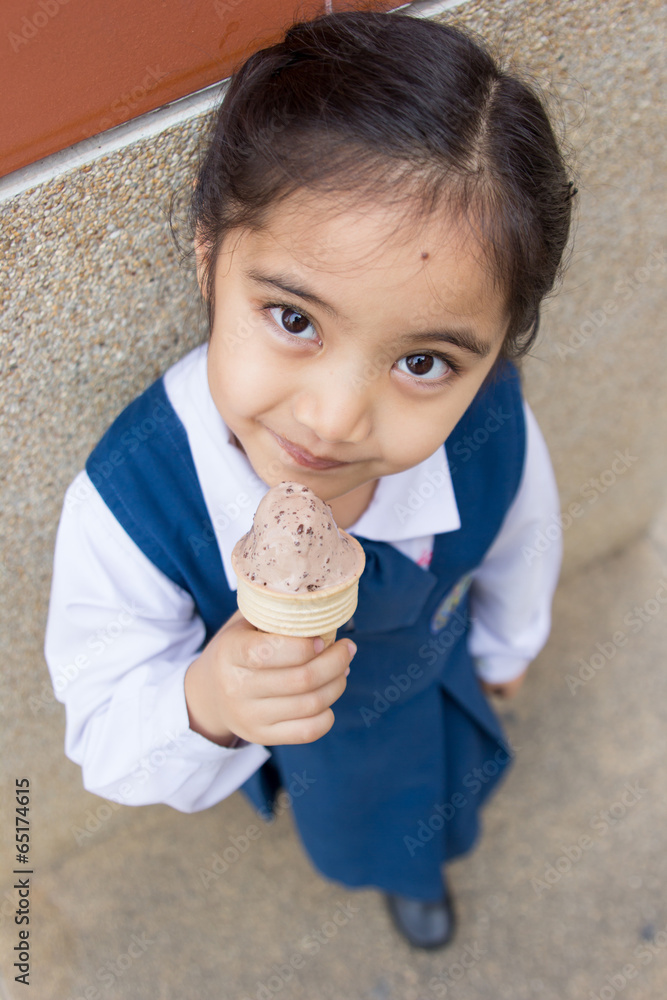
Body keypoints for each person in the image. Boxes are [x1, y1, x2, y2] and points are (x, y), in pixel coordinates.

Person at [44, 8, 575, 950]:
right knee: (364, 824)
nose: (331, 419)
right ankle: (395, 873)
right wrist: (209, 700)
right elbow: (105, 733)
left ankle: (431, 859)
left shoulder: (490, 422)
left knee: (452, 789)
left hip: (436, 685)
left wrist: (507, 647)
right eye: (293, 318)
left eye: (423, 363)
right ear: (210, 254)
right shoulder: (137, 504)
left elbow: (523, 534)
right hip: (330, 747)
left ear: (493, 355)